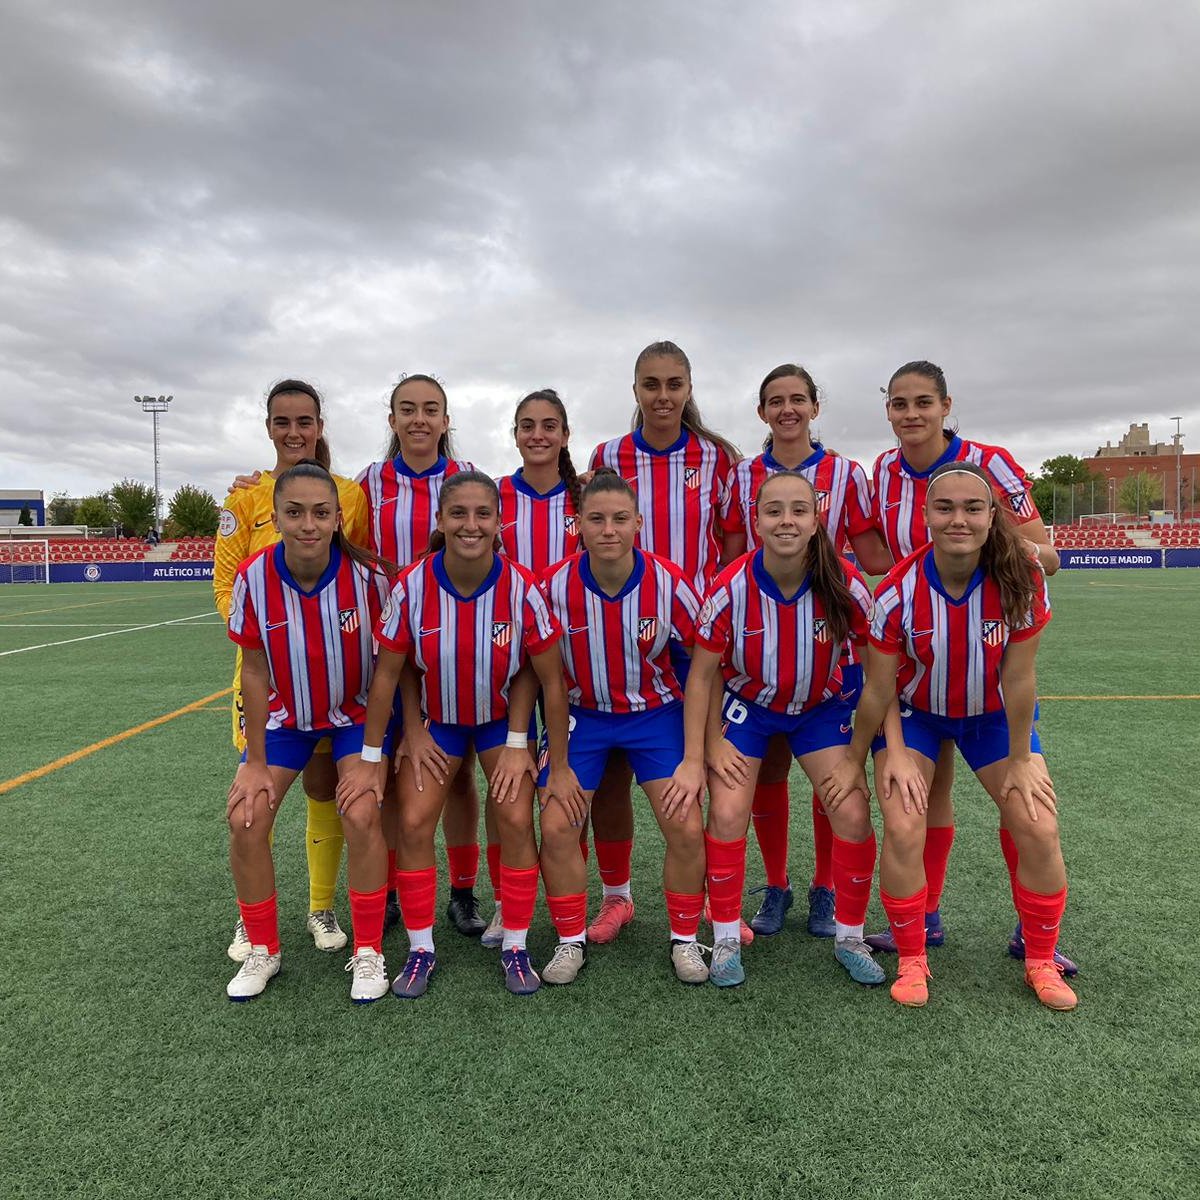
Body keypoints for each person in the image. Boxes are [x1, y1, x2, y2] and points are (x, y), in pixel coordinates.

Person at [824, 461, 1076, 1010]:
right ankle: (913, 957)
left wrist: (1021, 758)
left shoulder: (1021, 578)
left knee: (1037, 823)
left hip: (992, 717)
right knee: (904, 821)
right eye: (945, 507)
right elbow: (880, 687)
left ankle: (1040, 958)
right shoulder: (896, 590)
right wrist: (874, 754)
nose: (958, 519)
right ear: (926, 515)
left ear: (992, 516)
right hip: (918, 715)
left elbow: (1019, 676)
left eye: (972, 508)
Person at [865, 360, 1076, 974]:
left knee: (1023, 796)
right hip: (918, 658)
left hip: (986, 650)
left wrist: (983, 549)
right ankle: (922, 921)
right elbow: (879, 549)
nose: (911, 414)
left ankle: (1031, 935)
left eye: (923, 402)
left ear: (945, 405)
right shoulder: (882, 470)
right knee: (923, 802)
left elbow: (1050, 557)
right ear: (888, 410)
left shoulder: (993, 462)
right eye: (899, 403)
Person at [338, 471, 580, 997]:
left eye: (483, 515)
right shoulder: (412, 586)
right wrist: (384, 748)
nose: (471, 525)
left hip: (499, 724)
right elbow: (390, 672)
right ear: (441, 521)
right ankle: (422, 948)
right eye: (459, 514)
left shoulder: (522, 588)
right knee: (416, 818)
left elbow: (547, 679)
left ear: (498, 523)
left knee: (516, 816)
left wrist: (546, 760)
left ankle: (516, 944)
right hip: (438, 723)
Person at [667, 471, 881, 988]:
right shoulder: (730, 588)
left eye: (798, 510)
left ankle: (850, 937)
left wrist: (863, 753)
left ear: (815, 520)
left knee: (851, 809)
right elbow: (701, 677)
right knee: (727, 808)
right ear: (755, 521)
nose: (786, 520)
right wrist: (705, 749)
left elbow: (880, 674)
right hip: (749, 708)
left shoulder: (845, 584)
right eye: (774, 510)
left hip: (820, 710)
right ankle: (722, 939)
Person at [721, 363, 892, 940]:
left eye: (798, 399)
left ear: (815, 408)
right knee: (765, 771)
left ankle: (824, 889)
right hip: (761, 647)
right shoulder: (743, 475)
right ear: (762, 411)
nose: (787, 409)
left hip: (827, 646)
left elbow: (871, 553)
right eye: (776, 400)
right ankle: (776, 885)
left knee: (835, 780)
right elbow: (734, 553)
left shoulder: (846, 473)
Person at [584, 341, 740, 946]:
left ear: (690, 387)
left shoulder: (716, 457)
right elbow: (597, 534)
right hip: (622, 631)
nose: (664, 396)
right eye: (652, 384)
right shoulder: (608, 455)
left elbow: (731, 544)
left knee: (699, 769)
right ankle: (617, 898)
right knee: (614, 773)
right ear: (635, 390)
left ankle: (704, 900)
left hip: (694, 637)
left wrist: (718, 616)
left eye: (675, 384)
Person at [224, 460, 394, 1002]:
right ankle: (263, 948)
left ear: (338, 518)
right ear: (275, 517)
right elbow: (252, 669)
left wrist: (374, 753)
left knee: (362, 810)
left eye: (321, 513)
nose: (308, 525)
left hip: (355, 719)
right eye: (294, 513)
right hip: (286, 721)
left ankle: (368, 950)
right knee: (246, 816)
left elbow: (393, 667)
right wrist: (253, 762)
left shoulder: (370, 579)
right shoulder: (253, 575)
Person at [213, 379, 369, 963]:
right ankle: (250, 918)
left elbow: (358, 573)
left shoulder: (350, 496)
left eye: (305, 421)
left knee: (326, 787)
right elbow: (227, 585)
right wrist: (282, 632)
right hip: (266, 677)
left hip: (336, 684)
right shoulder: (244, 500)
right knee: (254, 793)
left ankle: (321, 906)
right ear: (269, 427)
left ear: (321, 426)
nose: (294, 432)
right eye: (283, 422)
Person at [537, 469, 709, 986]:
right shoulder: (551, 586)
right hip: (581, 716)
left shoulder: (670, 583)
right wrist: (552, 759)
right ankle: (569, 940)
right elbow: (533, 672)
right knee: (556, 824)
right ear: (578, 526)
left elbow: (699, 667)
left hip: (655, 715)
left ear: (638, 522)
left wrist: (696, 751)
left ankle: (684, 938)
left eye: (618, 519)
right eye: (596, 519)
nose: (608, 530)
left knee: (684, 822)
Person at [356, 375, 487, 938]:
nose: (419, 420)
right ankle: (388, 890)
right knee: (389, 769)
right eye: (407, 410)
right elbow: (345, 541)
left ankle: (462, 890)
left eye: (430, 410)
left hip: (454, 649)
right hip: (388, 648)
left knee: (457, 778)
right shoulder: (368, 483)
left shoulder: (465, 481)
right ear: (392, 421)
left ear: (446, 420)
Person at [482, 388, 584, 947]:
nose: (538, 435)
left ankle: (582, 902)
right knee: (510, 790)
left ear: (565, 435)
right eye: (527, 426)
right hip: (507, 663)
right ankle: (506, 902)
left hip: (579, 662)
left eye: (550, 425)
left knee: (580, 785)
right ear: (515, 434)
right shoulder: (494, 495)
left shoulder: (585, 494)